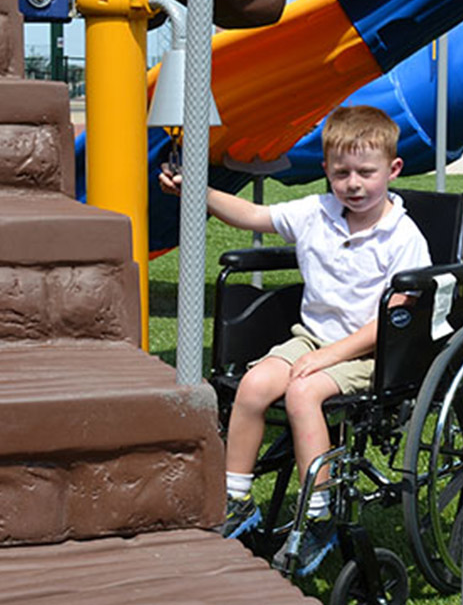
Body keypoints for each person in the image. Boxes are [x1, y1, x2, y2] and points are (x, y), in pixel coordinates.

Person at [159, 105, 430, 575]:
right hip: (312, 338)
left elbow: (396, 315)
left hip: (373, 350)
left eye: (366, 172)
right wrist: (197, 192)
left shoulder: (402, 236)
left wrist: (329, 357)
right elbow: (252, 215)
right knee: (254, 385)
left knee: (304, 393)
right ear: (325, 170)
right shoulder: (315, 212)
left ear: (393, 170)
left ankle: (319, 515)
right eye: (341, 172)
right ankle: (238, 499)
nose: (354, 184)